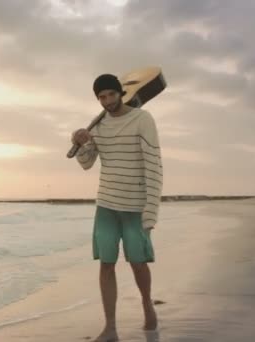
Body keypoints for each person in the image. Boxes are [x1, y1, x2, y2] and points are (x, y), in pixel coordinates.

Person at [72, 73, 163, 340]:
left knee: (137, 262)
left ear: (121, 93)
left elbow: (154, 165)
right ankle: (110, 327)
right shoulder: (98, 126)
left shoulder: (142, 119)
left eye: (111, 94)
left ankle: (147, 304)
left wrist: (151, 210)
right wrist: (80, 143)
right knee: (106, 265)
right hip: (107, 205)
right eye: (101, 97)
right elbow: (87, 163)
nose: (107, 101)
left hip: (135, 206)